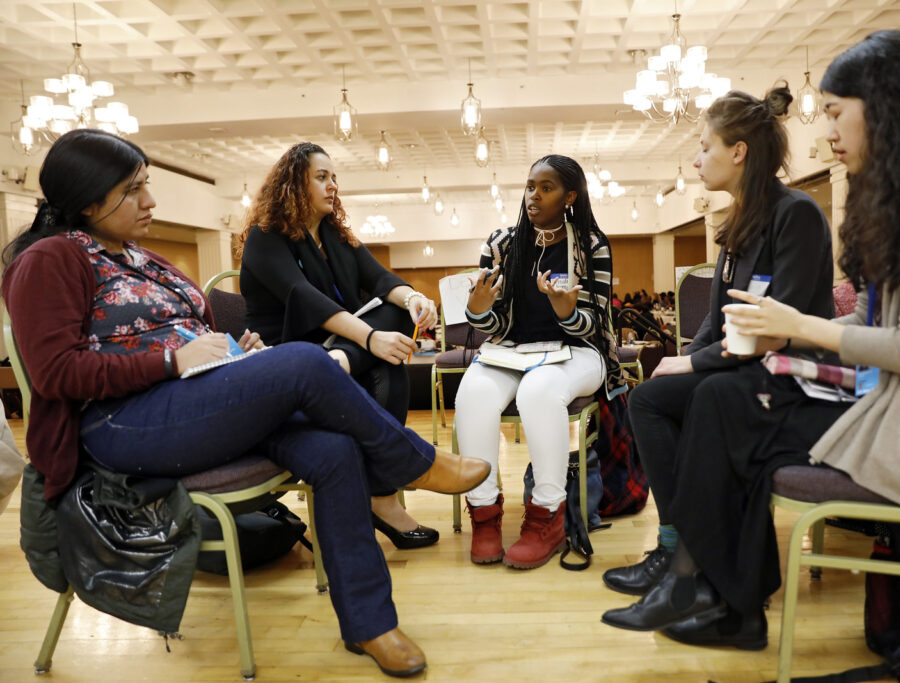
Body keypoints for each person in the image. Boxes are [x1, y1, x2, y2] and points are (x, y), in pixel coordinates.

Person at [1, 129, 490, 677]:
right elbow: (54, 372)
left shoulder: (140, 256)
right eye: (133, 189)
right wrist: (173, 362)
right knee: (306, 360)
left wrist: (235, 351)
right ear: (89, 199)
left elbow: (192, 331)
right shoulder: (51, 259)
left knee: (333, 451)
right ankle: (414, 463)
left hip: (192, 402)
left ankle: (371, 623)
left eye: (146, 186)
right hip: (122, 424)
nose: (150, 201)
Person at [601, 30, 900, 651]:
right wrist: (785, 329)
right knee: (722, 401)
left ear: (885, 107)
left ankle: (713, 590)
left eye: (833, 113)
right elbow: (878, 328)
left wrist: (794, 326)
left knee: (725, 403)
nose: (826, 133)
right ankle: (717, 595)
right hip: (891, 404)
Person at [602, 83, 834, 598]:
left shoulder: (794, 215)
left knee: (657, 401)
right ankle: (681, 548)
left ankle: (682, 550)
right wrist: (687, 359)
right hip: (746, 366)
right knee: (654, 395)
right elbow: (716, 319)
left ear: (739, 151)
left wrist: (694, 365)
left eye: (705, 147)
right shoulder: (737, 222)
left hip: (790, 378)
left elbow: (782, 327)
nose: (696, 159)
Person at [238, 142, 441, 550]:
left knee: (396, 320)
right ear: (294, 182)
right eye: (322, 176)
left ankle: (342, 364)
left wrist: (415, 299)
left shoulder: (334, 236)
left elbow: (381, 279)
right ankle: (383, 498)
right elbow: (305, 298)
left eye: (334, 178)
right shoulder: (265, 238)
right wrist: (369, 338)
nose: (332, 186)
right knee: (386, 360)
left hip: (338, 352)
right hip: (292, 354)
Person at [455, 154, 626, 569]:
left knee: (539, 390)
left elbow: (596, 324)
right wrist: (477, 310)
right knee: (472, 393)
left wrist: (566, 311)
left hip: (579, 353)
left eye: (546, 188)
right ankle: (484, 515)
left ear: (570, 196)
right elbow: (490, 325)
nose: (533, 196)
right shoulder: (501, 244)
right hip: (510, 351)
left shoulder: (589, 245)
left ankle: (546, 515)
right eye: (530, 186)